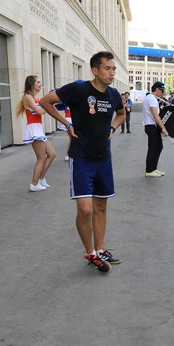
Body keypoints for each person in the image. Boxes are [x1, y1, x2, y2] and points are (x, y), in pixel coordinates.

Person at [40, 51, 125, 273]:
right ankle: (91, 253)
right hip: (81, 158)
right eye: (108, 68)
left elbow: (121, 113)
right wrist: (67, 125)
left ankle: (101, 249)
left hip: (103, 158)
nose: (112, 73)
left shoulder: (114, 94)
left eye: (114, 69)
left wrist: (113, 128)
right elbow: (45, 101)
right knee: (85, 209)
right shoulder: (78, 89)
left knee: (101, 207)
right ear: (95, 70)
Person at [16, 75, 56, 192]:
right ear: (32, 84)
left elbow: (42, 109)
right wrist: (49, 106)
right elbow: (39, 111)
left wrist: (50, 104)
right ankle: (34, 183)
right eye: (38, 82)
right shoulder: (28, 97)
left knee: (52, 154)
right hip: (33, 128)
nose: (40, 84)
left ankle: (41, 178)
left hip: (38, 128)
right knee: (41, 157)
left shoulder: (36, 98)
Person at [143, 81, 169, 177]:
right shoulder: (151, 99)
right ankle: (149, 170)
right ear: (157, 90)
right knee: (153, 148)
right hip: (152, 126)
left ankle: (154, 168)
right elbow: (155, 115)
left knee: (158, 147)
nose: (163, 93)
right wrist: (163, 128)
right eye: (162, 91)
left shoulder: (151, 98)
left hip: (152, 126)